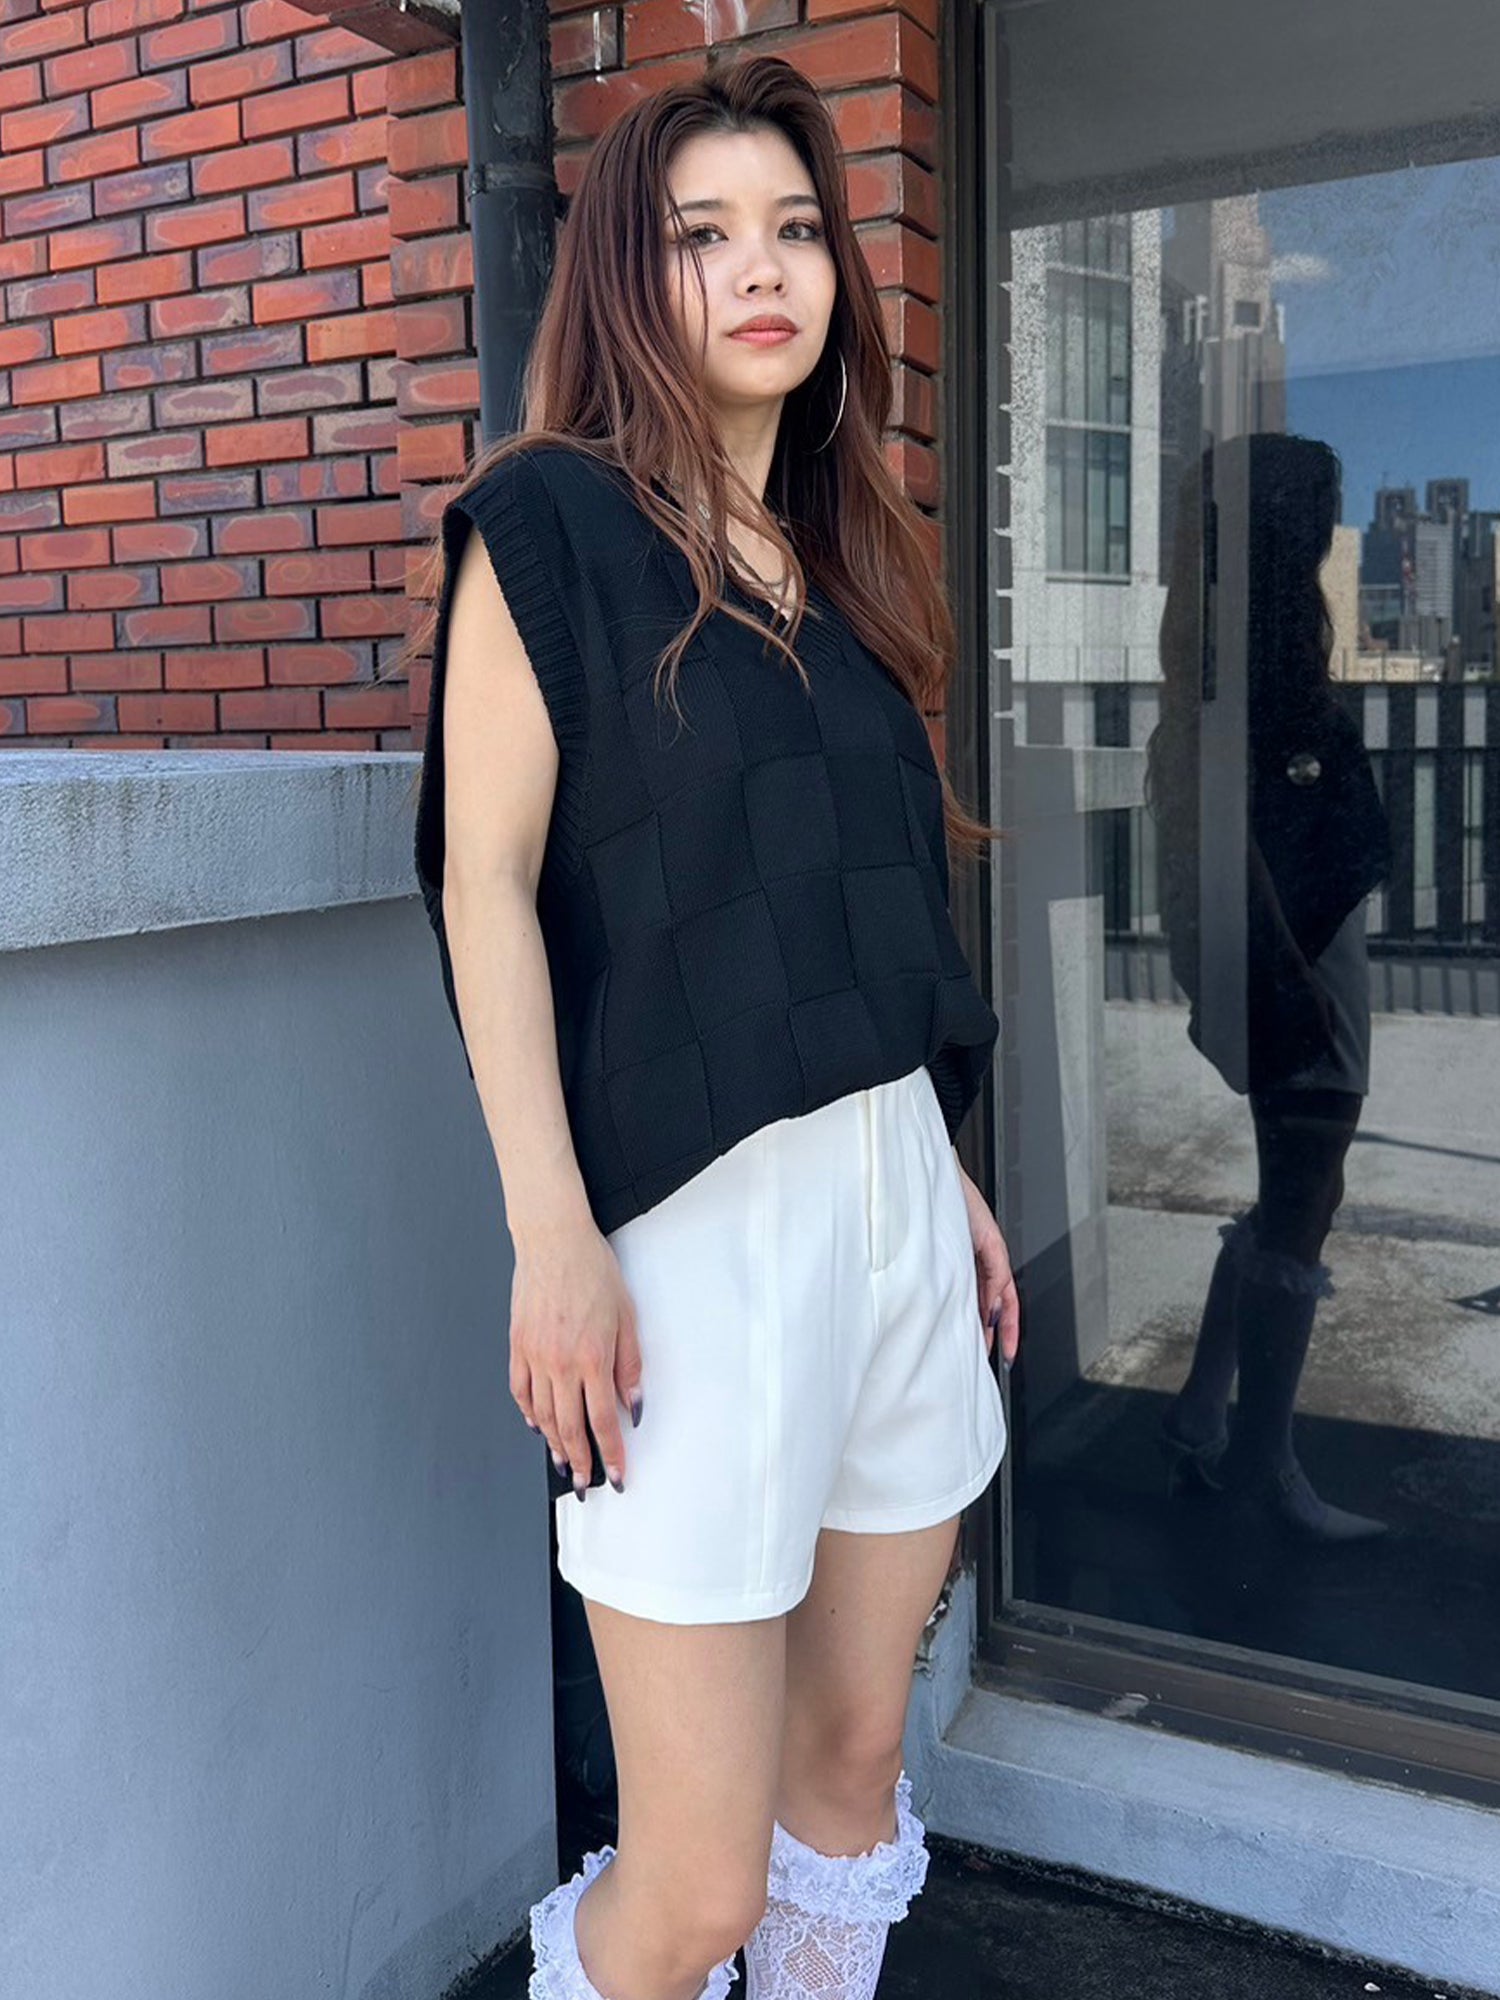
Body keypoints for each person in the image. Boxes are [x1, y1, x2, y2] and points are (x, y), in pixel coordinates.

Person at [404, 53, 1020, 2000]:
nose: (764, 268)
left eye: (795, 229)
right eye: (702, 234)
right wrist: (552, 1232)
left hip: (896, 1204)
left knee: (849, 1777)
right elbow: (485, 883)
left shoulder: (844, 562)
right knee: (693, 1892)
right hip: (693, 1231)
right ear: (625, 275)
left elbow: (870, 903)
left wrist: (943, 1168)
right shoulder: (550, 526)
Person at [1146, 432, 1392, 1545]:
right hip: (1302, 969)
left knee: (1296, 1192)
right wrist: (1288, 985)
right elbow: (1232, 841)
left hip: (1307, 958)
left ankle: (1206, 1414)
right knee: (1301, 1200)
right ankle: (1262, 1464)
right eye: (1321, 513)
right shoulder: (1249, 673)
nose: (1333, 531)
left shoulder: (1234, 653)